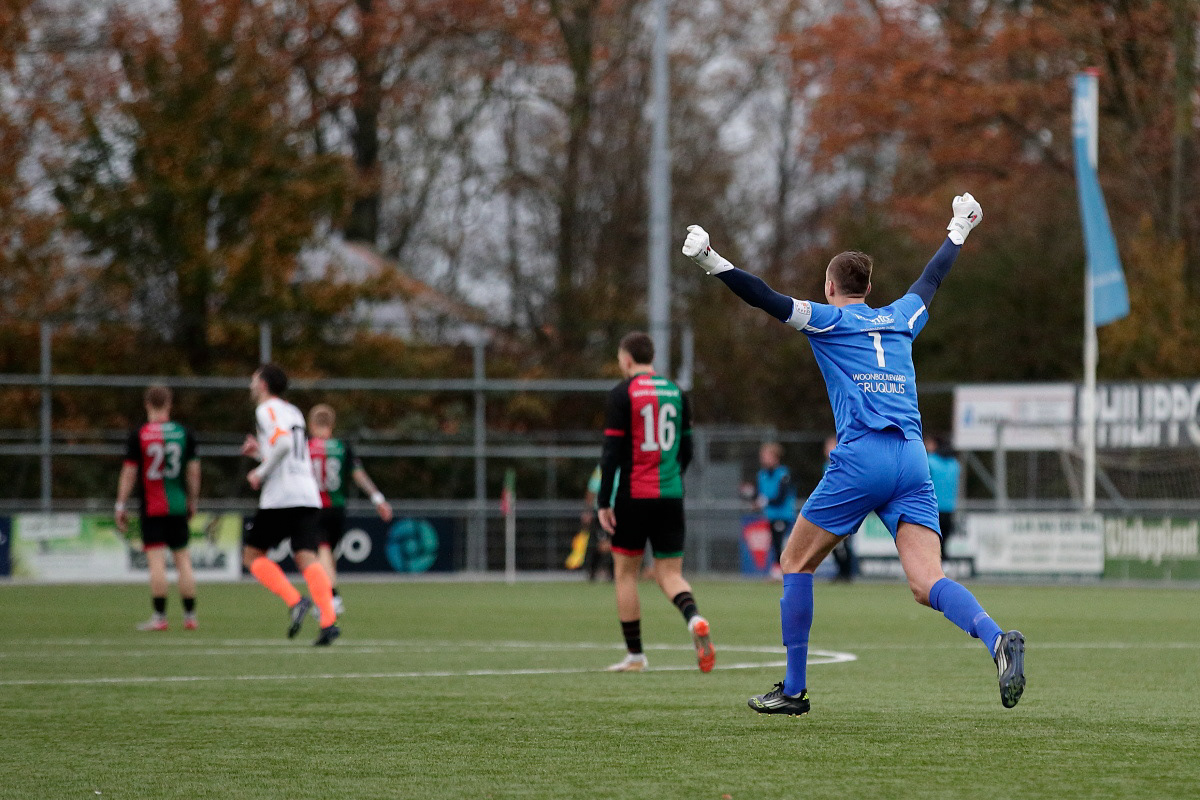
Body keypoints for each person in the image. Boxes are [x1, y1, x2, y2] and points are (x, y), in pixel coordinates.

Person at [683, 193, 1025, 713]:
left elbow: (764, 297)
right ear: (869, 290)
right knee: (926, 581)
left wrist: (712, 259)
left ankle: (794, 690)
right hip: (912, 459)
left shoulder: (828, 320)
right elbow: (930, 280)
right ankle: (996, 639)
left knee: (795, 561)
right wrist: (959, 228)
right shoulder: (901, 317)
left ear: (830, 288)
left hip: (863, 457)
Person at [596, 332, 715, 673]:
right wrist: (673, 478)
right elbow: (687, 449)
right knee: (670, 574)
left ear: (627, 359)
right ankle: (694, 619)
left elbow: (611, 453)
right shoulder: (677, 392)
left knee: (625, 574)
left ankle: (635, 656)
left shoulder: (623, 394)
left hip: (633, 495)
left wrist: (604, 501)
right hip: (670, 495)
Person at [240, 364, 340, 646]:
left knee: (251, 556)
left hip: (281, 496)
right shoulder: (293, 411)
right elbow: (291, 452)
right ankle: (328, 620)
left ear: (262, 384)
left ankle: (295, 601)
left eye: (253, 379)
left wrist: (259, 473)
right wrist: (260, 453)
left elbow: (283, 446)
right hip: (307, 492)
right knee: (306, 556)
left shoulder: (265, 410)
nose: (250, 385)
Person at [115, 384, 200, 631]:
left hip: (152, 507)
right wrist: (192, 501)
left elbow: (129, 473)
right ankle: (190, 617)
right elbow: (194, 473)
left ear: (147, 404)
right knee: (183, 559)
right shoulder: (185, 433)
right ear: (169, 404)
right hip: (177, 505)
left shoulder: (139, 434)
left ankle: (160, 618)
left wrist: (120, 504)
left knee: (157, 562)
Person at [307, 404, 393, 614]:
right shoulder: (343, 447)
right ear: (332, 425)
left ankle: (330, 597)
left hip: (314, 507)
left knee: (322, 551)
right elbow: (359, 475)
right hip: (337, 509)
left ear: (311, 424)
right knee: (325, 553)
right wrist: (378, 498)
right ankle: (325, 597)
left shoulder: (305, 447)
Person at [755, 442, 796, 579]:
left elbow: (781, 497)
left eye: (767, 456)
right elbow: (759, 493)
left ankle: (781, 571)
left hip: (782, 515)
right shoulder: (762, 474)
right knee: (774, 543)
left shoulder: (783, 474)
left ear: (775, 457)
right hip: (770, 515)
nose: (764, 459)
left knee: (779, 544)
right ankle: (777, 571)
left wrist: (764, 501)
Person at [821, 435, 857, 583]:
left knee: (845, 542)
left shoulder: (845, 464)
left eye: (831, 445)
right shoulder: (826, 465)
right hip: (832, 508)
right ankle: (841, 572)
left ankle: (847, 573)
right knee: (833, 543)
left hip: (845, 508)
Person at [924, 434, 962, 560]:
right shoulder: (954, 464)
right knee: (943, 546)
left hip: (932, 508)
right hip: (950, 508)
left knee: (928, 545)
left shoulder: (929, 460)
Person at [580, 464, 614, 581]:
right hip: (602, 513)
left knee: (617, 544)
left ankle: (613, 574)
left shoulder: (627, 466)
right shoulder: (601, 469)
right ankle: (592, 570)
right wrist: (587, 511)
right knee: (603, 545)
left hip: (621, 512)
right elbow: (591, 490)